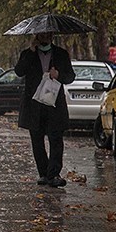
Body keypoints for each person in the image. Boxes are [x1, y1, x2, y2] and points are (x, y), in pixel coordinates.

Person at [14, 31, 76, 188]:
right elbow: (19, 71)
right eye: (41, 36)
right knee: (37, 139)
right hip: (34, 105)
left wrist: (58, 75)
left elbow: (70, 77)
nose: (44, 39)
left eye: (47, 36)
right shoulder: (28, 54)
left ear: (52, 37)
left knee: (56, 140)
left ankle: (53, 174)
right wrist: (30, 52)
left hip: (54, 105)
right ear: (36, 37)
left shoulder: (61, 54)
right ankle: (43, 173)